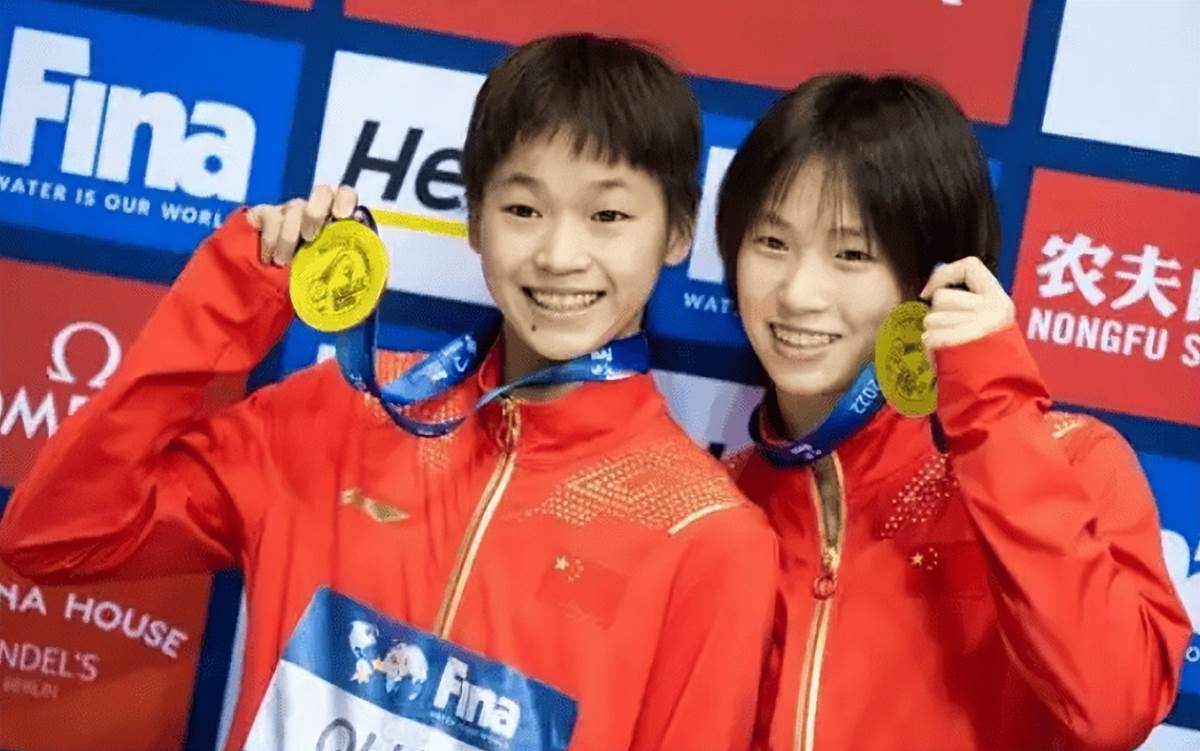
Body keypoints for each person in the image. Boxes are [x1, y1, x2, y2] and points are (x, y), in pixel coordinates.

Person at [0, 34, 777, 751]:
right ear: (474, 221)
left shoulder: (706, 537)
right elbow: (56, 535)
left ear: (677, 232)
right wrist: (231, 295)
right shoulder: (339, 412)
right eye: (523, 208)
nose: (559, 253)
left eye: (608, 214)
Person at [715, 73, 1190, 750]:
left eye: (852, 254)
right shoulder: (723, 500)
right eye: (772, 243)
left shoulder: (1071, 460)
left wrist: (991, 410)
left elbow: (1115, 705)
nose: (798, 293)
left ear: (934, 276)